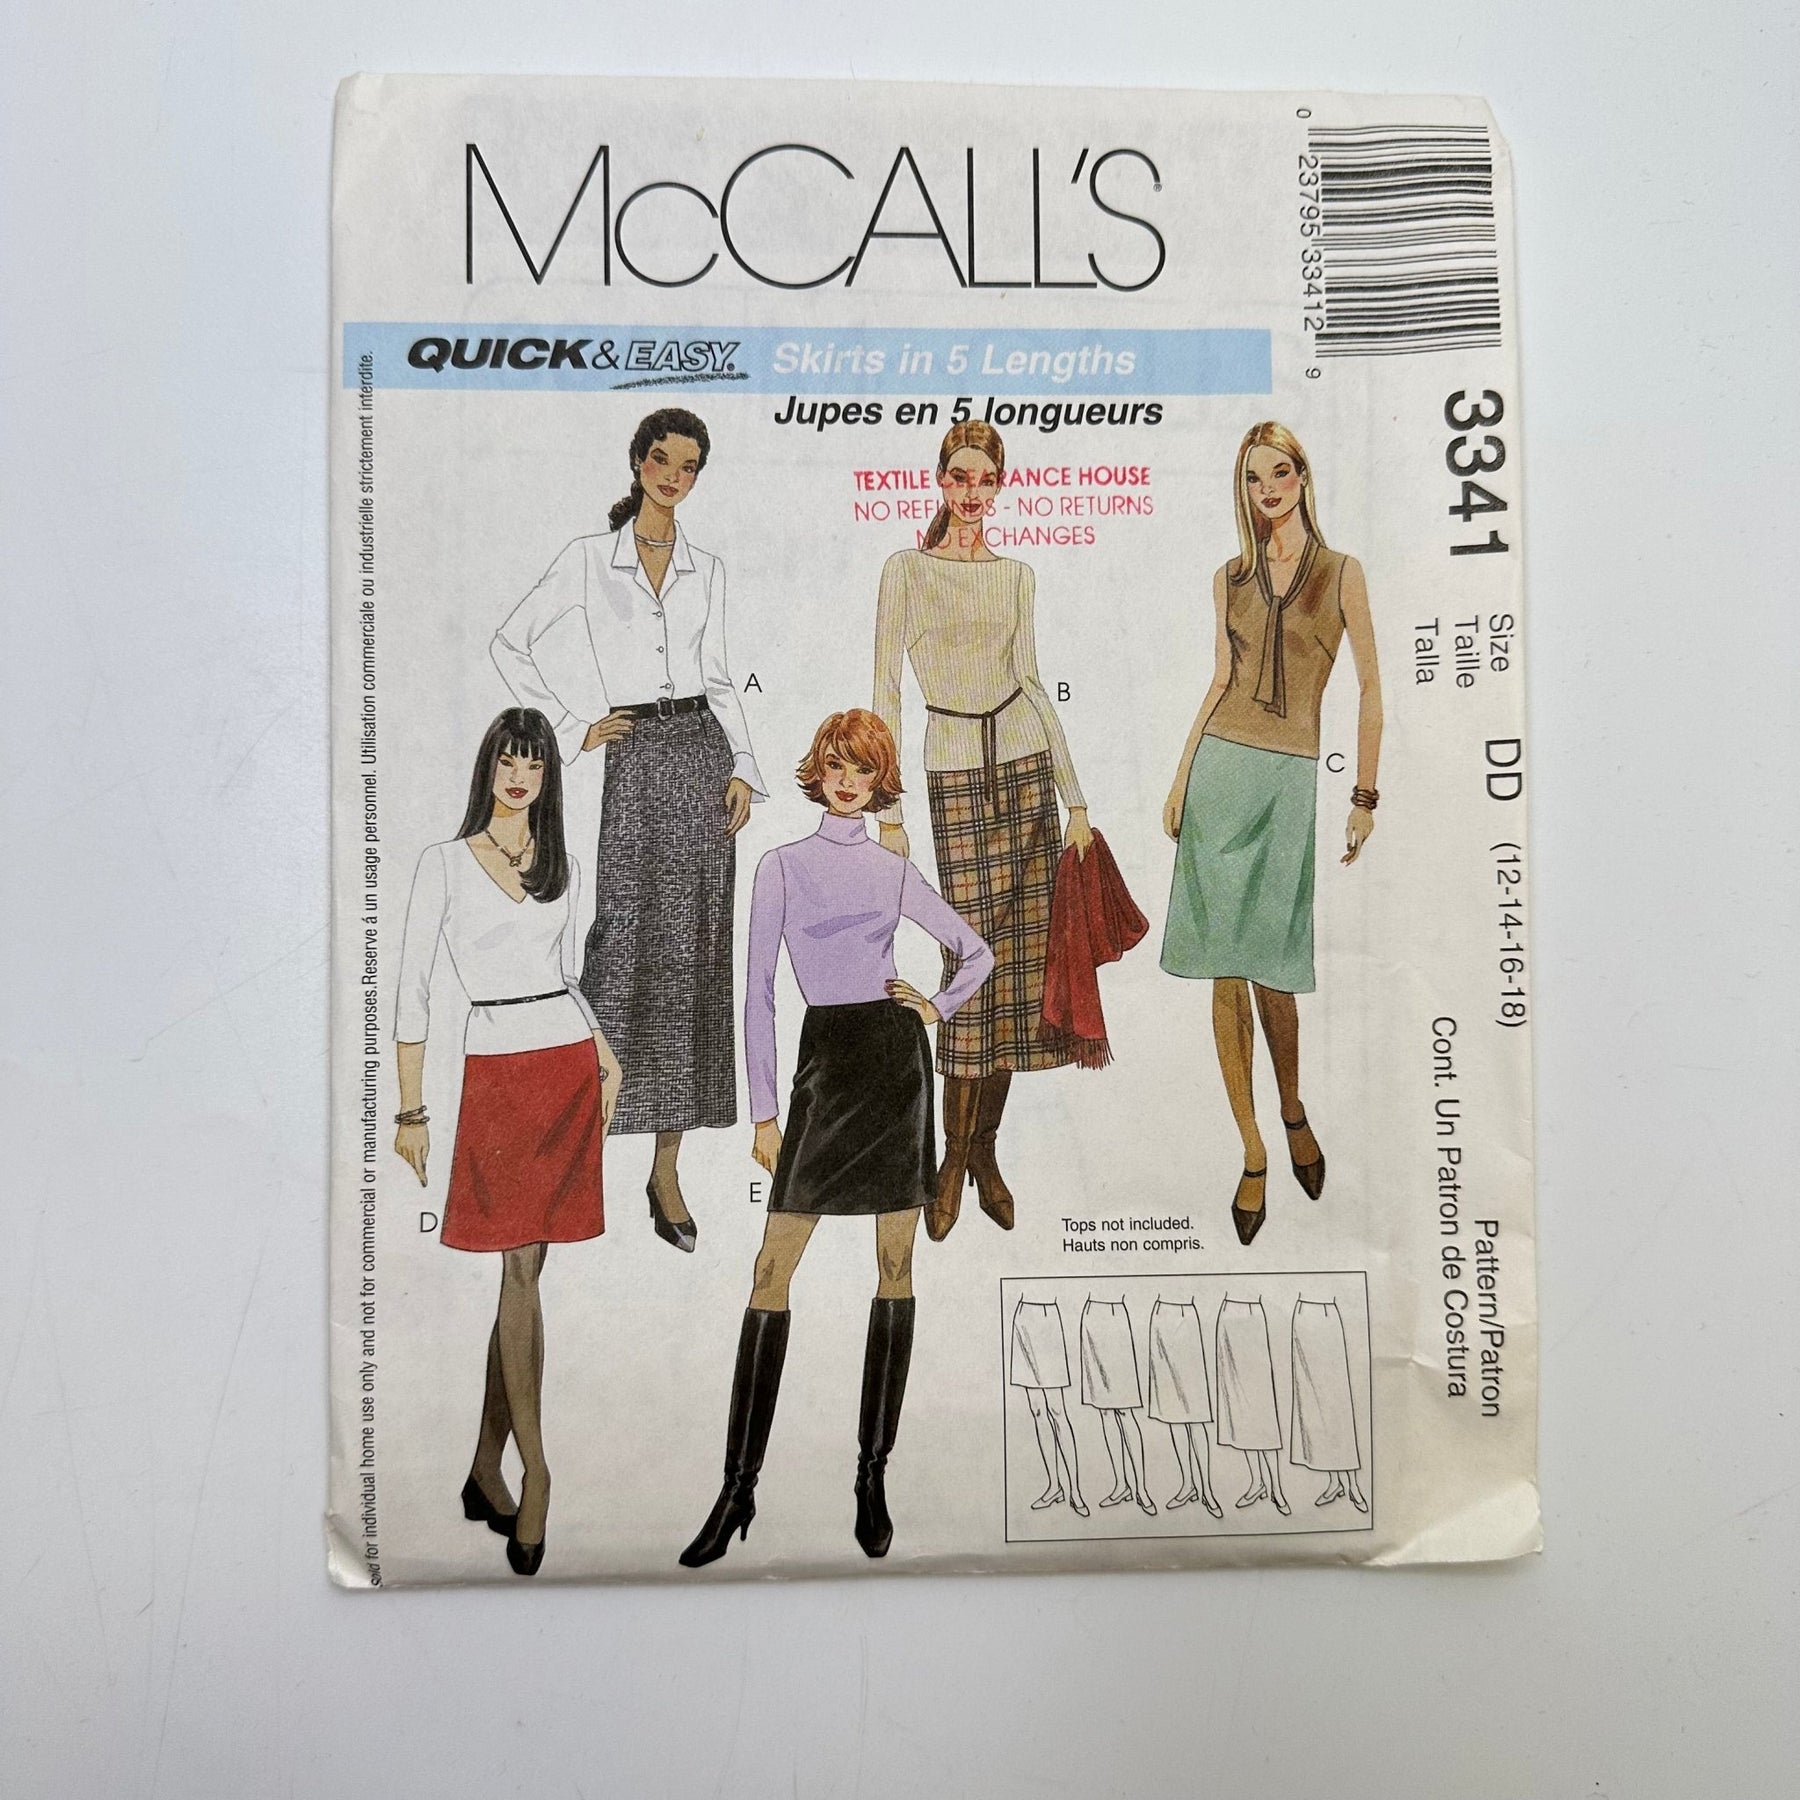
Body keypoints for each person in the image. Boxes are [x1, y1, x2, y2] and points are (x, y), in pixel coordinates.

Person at [679, 710, 993, 1568]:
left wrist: (935, 1007)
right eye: (836, 766)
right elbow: (758, 993)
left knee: (895, 1265)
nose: (849, 781)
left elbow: (976, 953)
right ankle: (737, 1489)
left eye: (864, 769)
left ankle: (872, 1476)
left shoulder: (894, 869)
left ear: (880, 781)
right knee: (770, 1271)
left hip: (893, 1067)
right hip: (823, 1069)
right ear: (817, 773)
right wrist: (765, 1113)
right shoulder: (780, 866)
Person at [491, 408, 762, 1255]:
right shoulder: (588, 559)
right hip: (636, 761)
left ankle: (666, 1170)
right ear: (638, 463)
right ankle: (578, 1153)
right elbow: (508, 644)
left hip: (703, 758)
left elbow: (721, 677)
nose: (674, 477)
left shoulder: (708, 569)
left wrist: (744, 766)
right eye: (661, 460)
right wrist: (576, 724)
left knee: (693, 961)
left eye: (689, 466)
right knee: (619, 951)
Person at [392, 708, 622, 1577]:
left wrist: (604, 1051)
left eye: (534, 764)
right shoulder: (444, 864)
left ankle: (487, 1467)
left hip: (566, 1067)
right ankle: (538, 1475)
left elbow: (567, 977)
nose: (519, 777)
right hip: (495, 1074)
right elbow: (412, 991)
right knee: (519, 1272)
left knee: (522, 1274)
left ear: (548, 778)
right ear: (487, 768)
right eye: (507, 761)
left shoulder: (565, 866)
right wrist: (411, 1112)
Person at [872, 421, 1096, 1241]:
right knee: (969, 964)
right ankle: (949, 1161)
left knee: (1021, 978)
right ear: (940, 480)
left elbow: (1032, 680)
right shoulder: (905, 569)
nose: (972, 493)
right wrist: (888, 811)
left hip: (1027, 769)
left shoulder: (1017, 576)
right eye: (959, 477)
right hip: (955, 768)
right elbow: (885, 689)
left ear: (1000, 487)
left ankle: (985, 1154)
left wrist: (1075, 798)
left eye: (986, 480)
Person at [1161, 423, 1384, 1244]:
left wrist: (1364, 795)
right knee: (1225, 973)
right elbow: (1219, 679)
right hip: (1221, 772)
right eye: (1254, 478)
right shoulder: (1228, 578)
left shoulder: (1342, 572)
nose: (1268, 490)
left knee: (1274, 974)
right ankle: (1252, 1148)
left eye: (1280, 472)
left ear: (1302, 476)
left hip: (1289, 781)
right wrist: (1182, 775)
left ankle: (1292, 1108)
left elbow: (1370, 690)